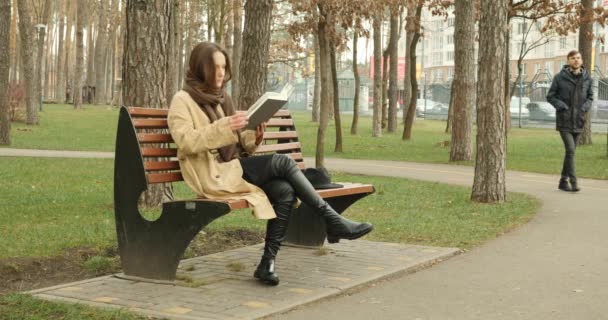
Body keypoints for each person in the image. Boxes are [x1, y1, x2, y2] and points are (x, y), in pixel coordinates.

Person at [167, 42, 373, 286]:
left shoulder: (223, 99)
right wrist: (225, 126)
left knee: (284, 191)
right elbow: (186, 141)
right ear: (200, 68)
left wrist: (255, 131)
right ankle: (332, 220)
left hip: (233, 167)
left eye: (224, 66)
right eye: (215, 67)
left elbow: (242, 144)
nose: (221, 72)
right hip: (213, 174)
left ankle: (267, 263)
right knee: (282, 162)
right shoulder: (182, 100)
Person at [546, 50, 593, 192]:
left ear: (582, 61)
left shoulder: (587, 79)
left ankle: (562, 181)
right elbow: (550, 96)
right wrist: (562, 107)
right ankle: (573, 182)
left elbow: (590, 97)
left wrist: (584, 108)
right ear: (568, 61)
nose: (576, 60)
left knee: (570, 153)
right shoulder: (559, 78)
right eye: (573, 58)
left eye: (578, 58)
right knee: (571, 150)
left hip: (579, 120)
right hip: (564, 121)